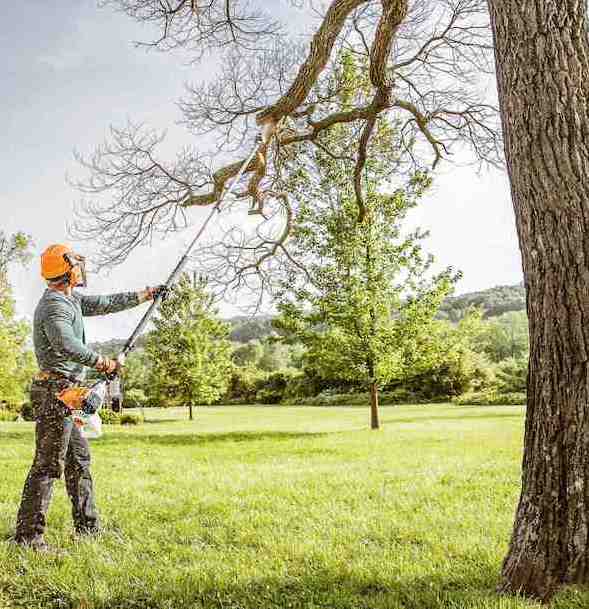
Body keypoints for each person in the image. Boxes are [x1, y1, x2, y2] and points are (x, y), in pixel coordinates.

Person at [14, 244, 165, 551]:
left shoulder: (71, 300)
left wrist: (145, 294)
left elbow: (105, 302)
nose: (82, 269)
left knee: (79, 461)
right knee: (47, 466)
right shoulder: (54, 306)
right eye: (77, 265)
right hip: (55, 393)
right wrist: (103, 363)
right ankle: (29, 538)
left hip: (67, 392)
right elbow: (65, 342)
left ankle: (88, 529)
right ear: (67, 270)